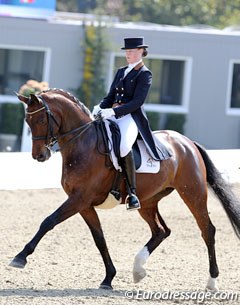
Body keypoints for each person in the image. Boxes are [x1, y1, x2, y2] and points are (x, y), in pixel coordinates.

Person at [92, 37, 170, 210]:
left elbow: (137, 102)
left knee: (124, 147)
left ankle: (132, 193)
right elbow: (110, 97)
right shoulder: (121, 71)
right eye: (126, 51)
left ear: (141, 52)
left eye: (132, 51)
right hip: (112, 114)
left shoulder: (144, 74)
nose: (128, 54)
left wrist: (113, 111)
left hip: (130, 117)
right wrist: (99, 107)